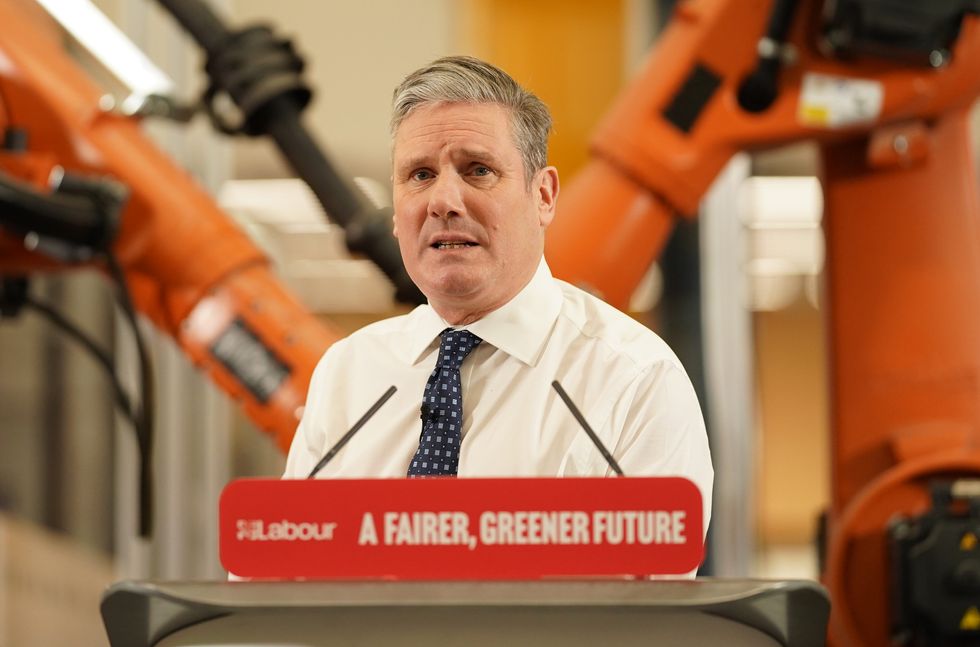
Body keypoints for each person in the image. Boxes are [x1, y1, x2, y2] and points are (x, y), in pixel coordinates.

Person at [282, 56, 712, 527]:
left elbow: (652, 595)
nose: (443, 202)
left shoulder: (632, 380)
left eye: (478, 170)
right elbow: (274, 574)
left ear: (543, 196)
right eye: (420, 175)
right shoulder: (348, 374)